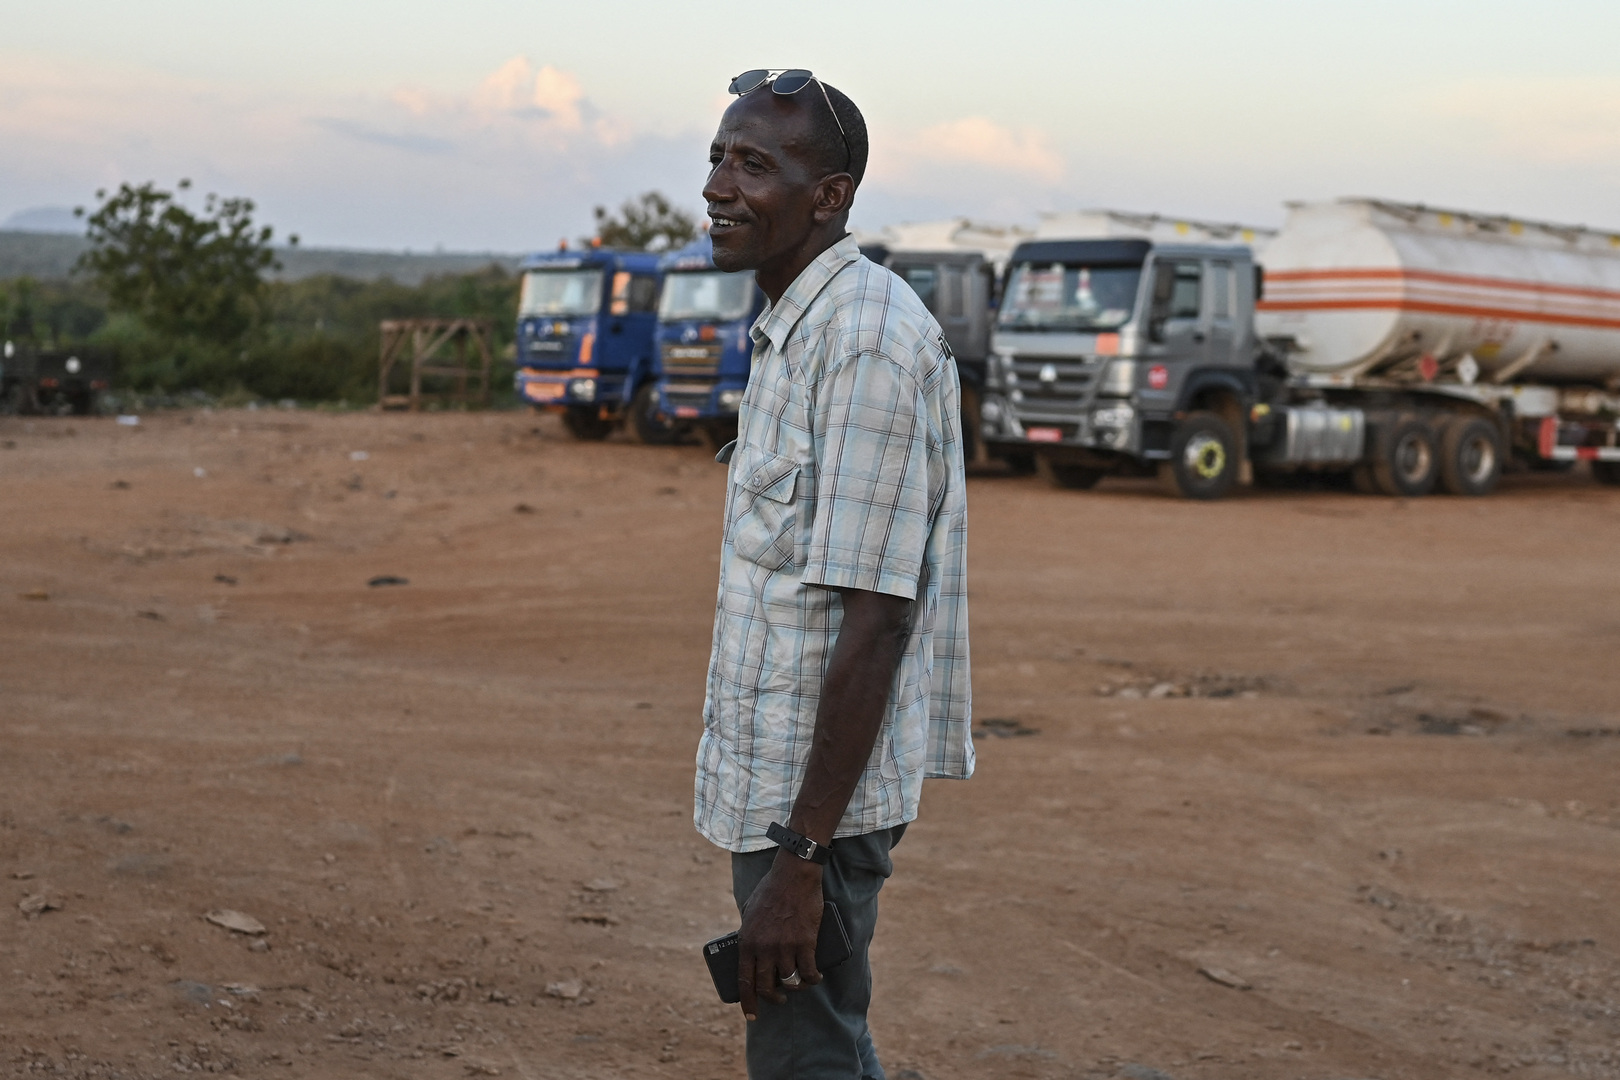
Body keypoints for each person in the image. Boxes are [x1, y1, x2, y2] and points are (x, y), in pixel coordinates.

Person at [693, 69, 973, 1080]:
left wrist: (804, 861)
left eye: (755, 164)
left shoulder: (862, 345)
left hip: (814, 811)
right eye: (719, 157)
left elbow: (878, 617)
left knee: (809, 1056)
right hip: (783, 785)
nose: (721, 186)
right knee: (817, 1046)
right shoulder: (793, 329)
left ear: (831, 195)